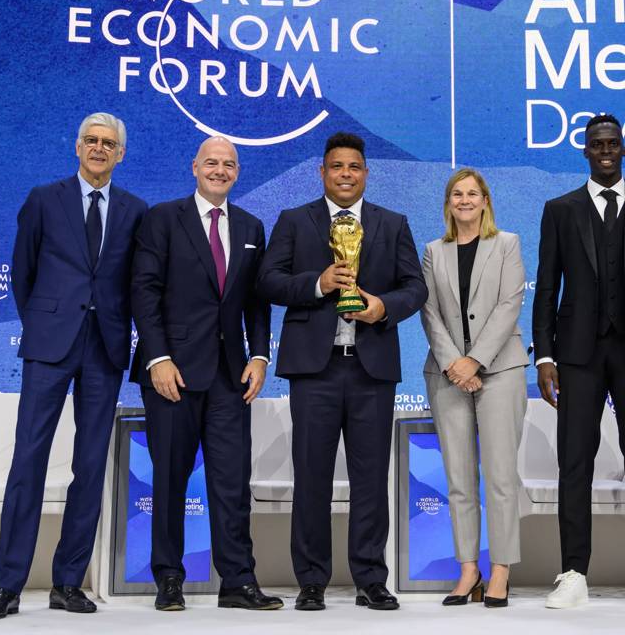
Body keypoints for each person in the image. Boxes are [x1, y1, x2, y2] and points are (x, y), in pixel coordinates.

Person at [0, 113, 148, 620]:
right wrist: (47, 321)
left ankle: (68, 583)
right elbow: (22, 273)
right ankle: (7, 585)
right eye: (91, 141)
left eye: (109, 143)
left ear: (121, 154)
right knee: (27, 461)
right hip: (50, 345)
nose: (99, 149)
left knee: (90, 467)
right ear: (78, 148)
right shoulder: (43, 199)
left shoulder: (136, 211)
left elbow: (133, 282)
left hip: (105, 350)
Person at [256, 132, 426, 611]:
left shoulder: (393, 224)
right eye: (337, 166)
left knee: (372, 480)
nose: (346, 174)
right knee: (311, 476)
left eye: (354, 166)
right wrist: (317, 283)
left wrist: (381, 307)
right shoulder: (294, 221)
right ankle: (311, 580)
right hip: (315, 370)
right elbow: (267, 280)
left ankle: (371, 579)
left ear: (366, 173)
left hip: (372, 369)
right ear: (323, 172)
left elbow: (415, 287)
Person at [129, 136, 282, 611]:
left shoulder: (252, 225)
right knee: (171, 480)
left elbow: (257, 303)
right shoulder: (161, 219)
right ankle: (169, 579)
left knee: (232, 483)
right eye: (211, 162)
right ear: (194, 167)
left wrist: (260, 356)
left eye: (229, 164)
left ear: (237, 172)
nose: (220, 170)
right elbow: (144, 292)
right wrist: (157, 359)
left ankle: (237, 581)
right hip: (171, 373)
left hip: (229, 377)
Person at [420, 168, 528, 609]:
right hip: (447, 374)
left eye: (473, 193)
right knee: (459, 480)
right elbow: (429, 312)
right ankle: (469, 569)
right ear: (448, 204)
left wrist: (475, 361)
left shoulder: (507, 244)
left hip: (500, 370)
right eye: (457, 194)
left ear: (485, 201)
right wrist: (455, 365)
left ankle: (501, 569)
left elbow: (509, 305)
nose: (464, 200)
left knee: (500, 477)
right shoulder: (432, 251)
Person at [533, 113, 625, 609]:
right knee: (574, 463)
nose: (606, 149)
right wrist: (544, 355)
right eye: (597, 144)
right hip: (576, 354)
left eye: (613, 142)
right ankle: (573, 573)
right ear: (585, 151)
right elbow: (547, 287)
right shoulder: (560, 209)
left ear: (622, 149)